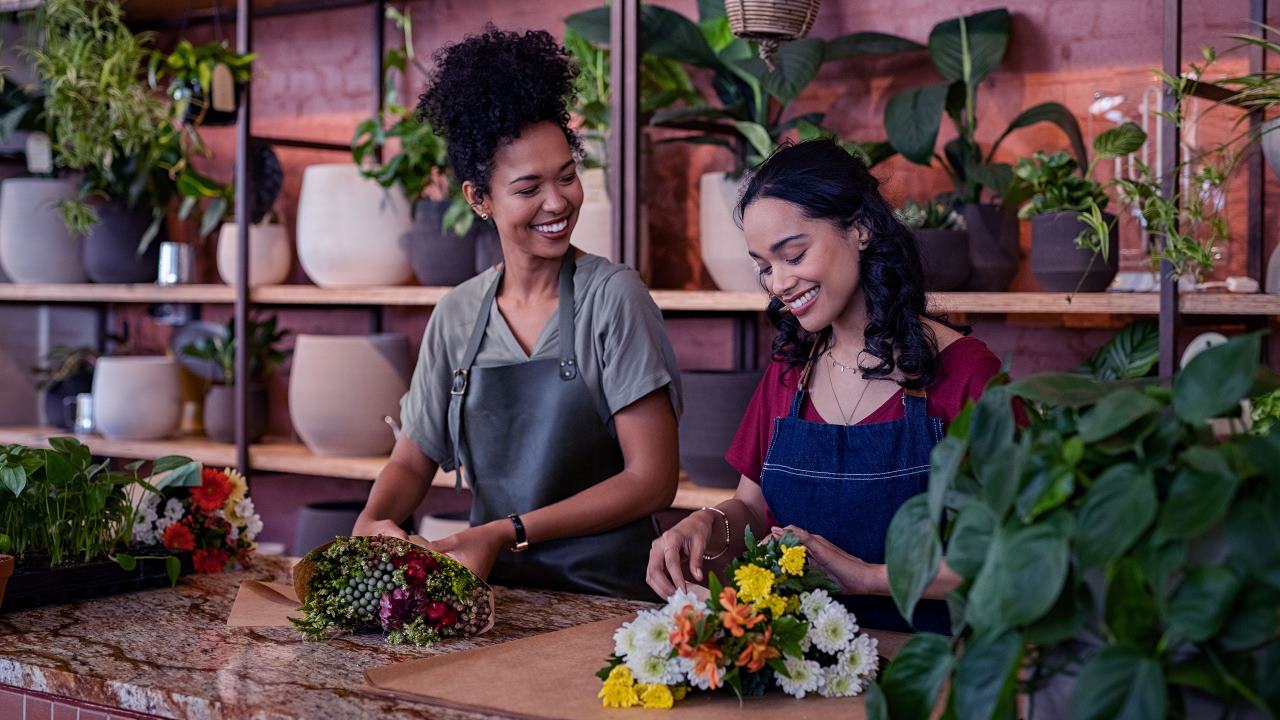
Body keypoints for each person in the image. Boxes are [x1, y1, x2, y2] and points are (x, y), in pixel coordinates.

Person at [354, 27, 682, 601]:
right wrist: (371, 524)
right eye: (528, 188)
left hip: (608, 600)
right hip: (499, 599)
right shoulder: (457, 316)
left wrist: (505, 533)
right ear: (479, 199)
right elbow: (412, 462)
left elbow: (651, 481)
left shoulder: (614, 298)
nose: (557, 202)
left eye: (566, 176)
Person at [646, 139, 1004, 632]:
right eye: (764, 266)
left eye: (793, 255)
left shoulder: (967, 374)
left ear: (860, 228)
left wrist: (866, 577)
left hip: (925, 665)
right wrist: (708, 524)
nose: (779, 283)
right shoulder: (792, 370)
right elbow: (751, 505)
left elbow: (1010, 555)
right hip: (795, 660)